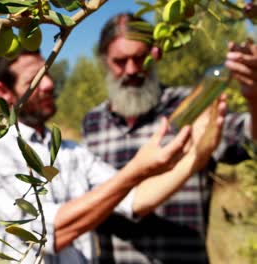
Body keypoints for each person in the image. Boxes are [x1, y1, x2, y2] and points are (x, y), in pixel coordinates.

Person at [0, 49, 226, 263]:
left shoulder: (72, 152)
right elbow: (46, 232)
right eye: (34, 79)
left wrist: (196, 157)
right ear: (3, 91)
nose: (48, 83)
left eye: (47, 72)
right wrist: (135, 170)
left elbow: (136, 200)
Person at [81, 13, 257, 264]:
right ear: (104, 61)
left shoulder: (191, 104)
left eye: (139, 58)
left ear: (156, 54)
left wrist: (254, 97)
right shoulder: (92, 123)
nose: (131, 70)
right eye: (120, 61)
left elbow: (250, 138)